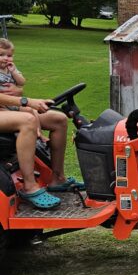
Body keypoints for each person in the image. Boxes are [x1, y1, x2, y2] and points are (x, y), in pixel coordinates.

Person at [0, 37, 82, 210]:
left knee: (58, 119)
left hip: (7, 109)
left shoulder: (7, 70)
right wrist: (26, 100)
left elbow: (16, 88)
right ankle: (29, 186)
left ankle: (57, 178)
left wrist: (19, 93)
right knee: (28, 120)